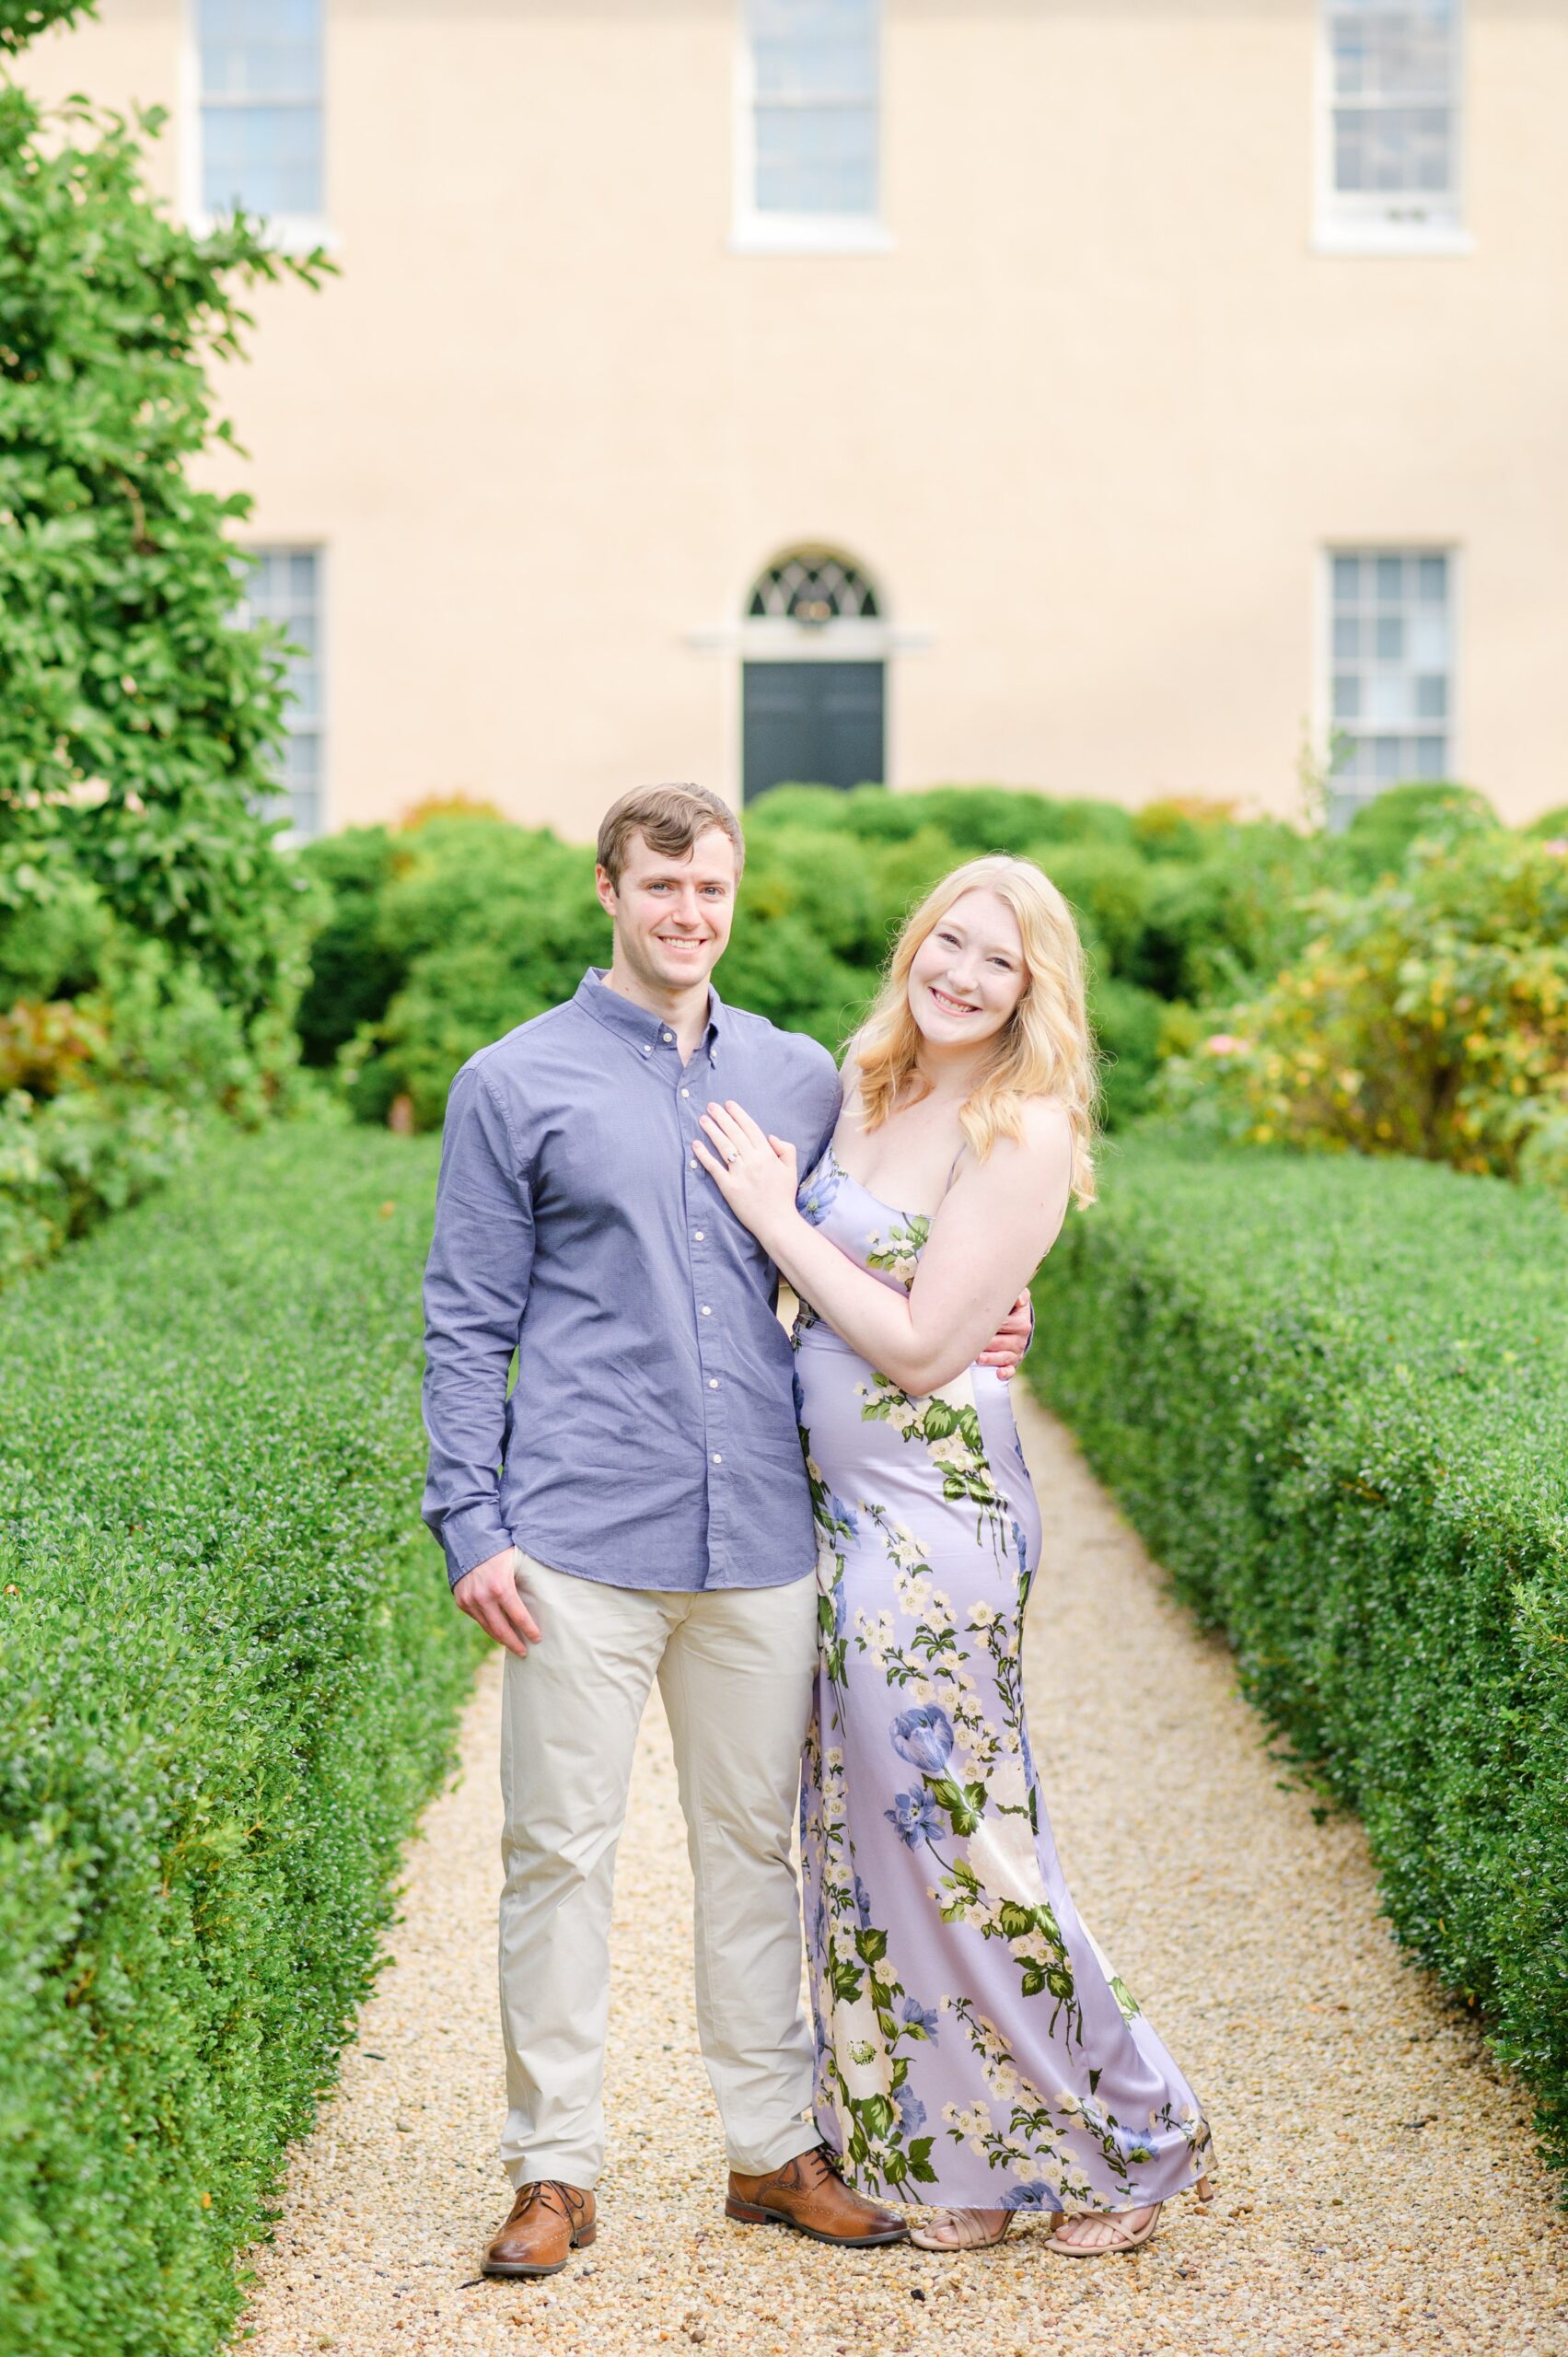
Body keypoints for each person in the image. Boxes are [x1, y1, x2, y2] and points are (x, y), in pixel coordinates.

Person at [420, 785, 1030, 2279]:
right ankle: (553, 2170)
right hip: (576, 1527)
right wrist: (469, 1519)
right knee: (557, 1854)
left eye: (713, 888)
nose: (690, 913)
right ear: (611, 891)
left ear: (734, 897)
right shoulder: (514, 1081)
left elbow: (890, 1227)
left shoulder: (799, 1071)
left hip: (760, 1525)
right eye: (663, 886)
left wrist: (990, 1315)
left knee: (756, 1850)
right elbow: (464, 1319)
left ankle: (770, 2151)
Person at [691, 853, 1216, 2257]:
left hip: (933, 1522)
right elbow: (857, 1297)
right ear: (914, 946)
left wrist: (775, 1214)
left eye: (1001, 961)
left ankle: (1141, 2133)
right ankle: (960, 2159)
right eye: (949, 942)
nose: (964, 974)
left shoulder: (1020, 1123)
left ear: (1035, 990)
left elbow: (925, 1349)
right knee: (868, 1843)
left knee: (962, 1831)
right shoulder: (871, 1086)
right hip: (831, 1508)